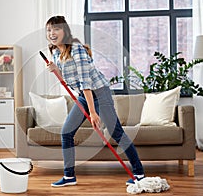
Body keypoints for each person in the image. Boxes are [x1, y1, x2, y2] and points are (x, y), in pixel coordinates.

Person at [45, 15, 145, 187]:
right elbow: (69, 80)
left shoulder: (76, 49)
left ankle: (139, 173)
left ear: (65, 31)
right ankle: (69, 176)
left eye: (56, 29)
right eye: (49, 30)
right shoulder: (55, 53)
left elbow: (86, 82)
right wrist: (56, 69)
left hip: (100, 93)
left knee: (116, 133)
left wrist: (92, 112)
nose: (52, 33)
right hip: (84, 96)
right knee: (66, 132)